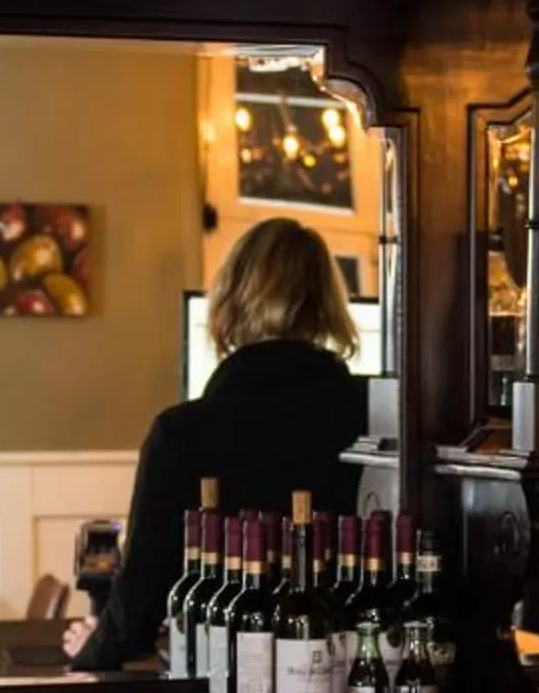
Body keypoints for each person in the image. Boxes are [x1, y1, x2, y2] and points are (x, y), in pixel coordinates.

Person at [69, 218, 367, 670]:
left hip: (220, 691)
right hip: (361, 681)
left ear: (229, 303)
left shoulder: (182, 433)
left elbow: (135, 616)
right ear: (329, 306)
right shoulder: (375, 418)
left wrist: (87, 653)